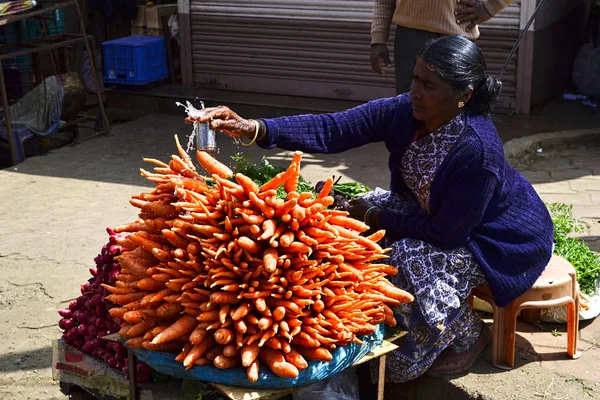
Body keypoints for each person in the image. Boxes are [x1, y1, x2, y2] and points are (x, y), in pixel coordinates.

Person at [188, 35, 554, 382]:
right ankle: (374, 314)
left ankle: (465, 333)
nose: (415, 91)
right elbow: (333, 128)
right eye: (415, 79)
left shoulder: (477, 152)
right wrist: (255, 128)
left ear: (463, 96)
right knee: (341, 216)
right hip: (435, 214)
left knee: (406, 255)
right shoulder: (406, 112)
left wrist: (375, 217)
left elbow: (448, 234)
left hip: (497, 240)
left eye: (429, 86)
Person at [371, 0, 516, 94]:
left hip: (456, 38)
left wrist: (490, 6)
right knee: (409, 105)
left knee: (456, 106)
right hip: (409, 37)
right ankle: (410, 142)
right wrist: (378, 38)